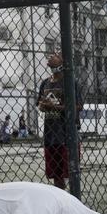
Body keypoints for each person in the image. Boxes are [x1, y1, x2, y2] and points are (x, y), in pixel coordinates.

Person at [37, 53, 83, 189]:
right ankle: (61, 201)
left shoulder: (71, 82)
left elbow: (78, 106)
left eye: (57, 54)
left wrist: (55, 107)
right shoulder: (45, 83)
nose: (52, 55)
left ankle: (73, 201)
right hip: (50, 135)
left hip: (67, 135)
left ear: (63, 62)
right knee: (56, 176)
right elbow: (39, 104)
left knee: (71, 173)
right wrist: (43, 106)